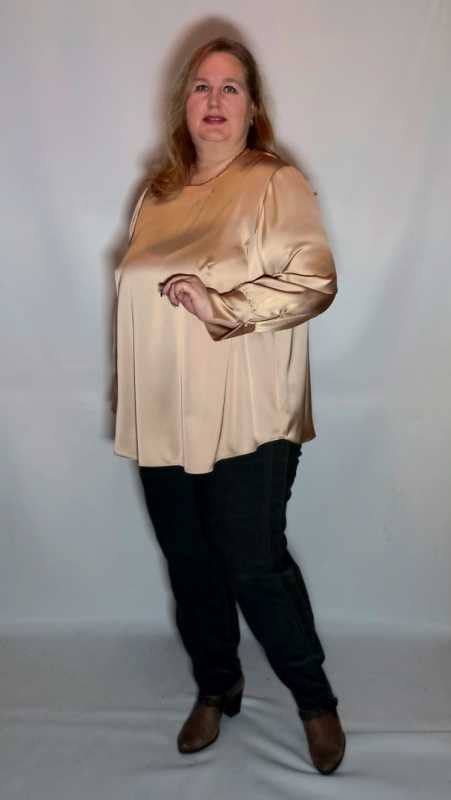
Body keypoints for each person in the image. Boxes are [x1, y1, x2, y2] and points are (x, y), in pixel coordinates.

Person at [113, 36, 345, 775]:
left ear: (251, 108)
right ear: (182, 105)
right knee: (189, 561)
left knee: (252, 563)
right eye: (201, 87)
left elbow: (314, 279)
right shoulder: (157, 194)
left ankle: (314, 700)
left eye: (230, 88)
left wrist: (224, 306)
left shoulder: (274, 181)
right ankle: (218, 683)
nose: (214, 101)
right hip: (163, 412)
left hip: (249, 412)